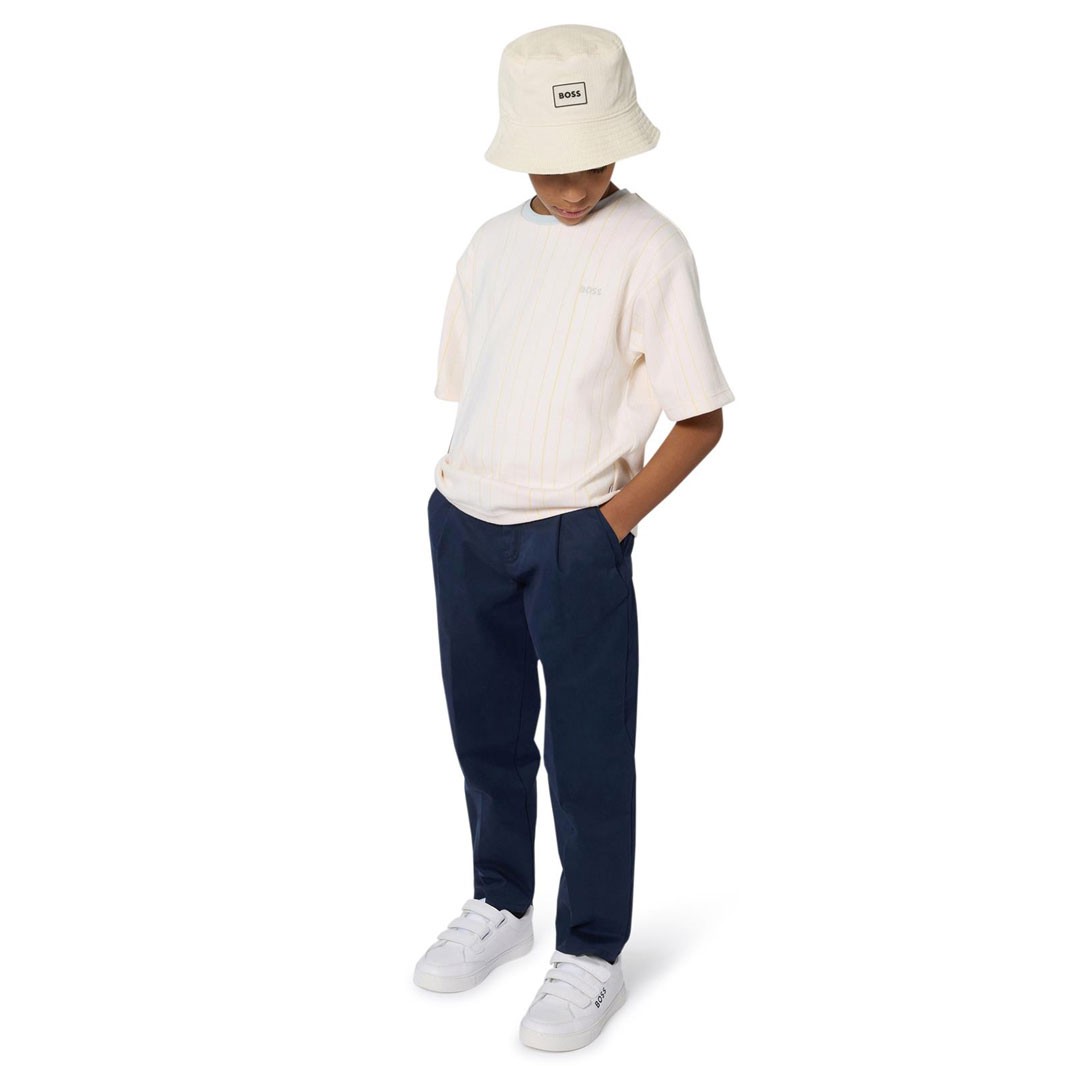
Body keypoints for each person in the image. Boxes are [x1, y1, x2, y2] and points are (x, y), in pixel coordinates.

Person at [413, 24, 735, 1052]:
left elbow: (699, 416)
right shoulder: (489, 246)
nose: (568, 186)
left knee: (588, 750)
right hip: (465, 519)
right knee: (485, 732)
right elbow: (478, 385)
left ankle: (591, 948)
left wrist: (608, 523)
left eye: (589, 160)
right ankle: (500, 899)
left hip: (575, 534)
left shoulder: (650, 247)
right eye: (547, 165)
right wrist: (462, 502)